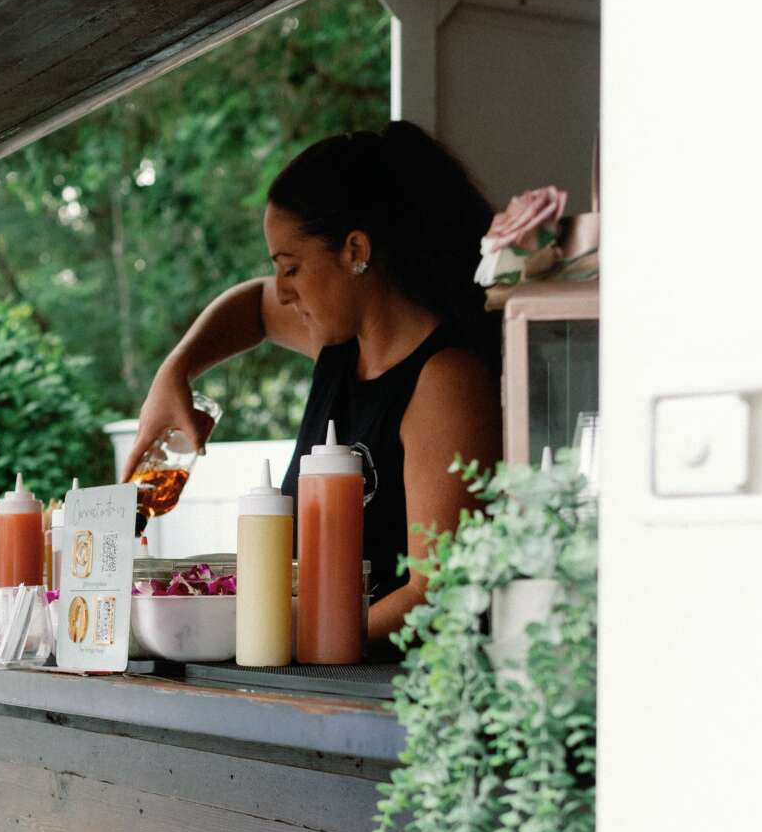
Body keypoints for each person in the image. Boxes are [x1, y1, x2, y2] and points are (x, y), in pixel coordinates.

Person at [123, 123, 502, 644]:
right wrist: (175, 372)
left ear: (355, 250)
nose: (282, 292)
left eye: (292, 268)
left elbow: (434, 593)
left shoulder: (446, 381)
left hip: (386, 684)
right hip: (314, 665)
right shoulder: (341, 349)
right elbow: (253, 307)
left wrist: (281, 635)